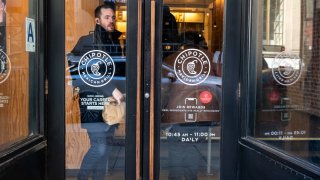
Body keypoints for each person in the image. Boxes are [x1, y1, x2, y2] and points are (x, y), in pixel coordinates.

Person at [69, 2, 125, 180]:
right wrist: (112, 89)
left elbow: (118, 72)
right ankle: (82, 177)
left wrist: (122, 91)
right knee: (99, 147)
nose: (111, 21)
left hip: (110, 103)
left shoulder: (114, 41)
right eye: (107, 17)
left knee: (105, 148)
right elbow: (83, 70)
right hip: (92, 101)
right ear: (97, 20)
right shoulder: (87, 41)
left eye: (113, 17)